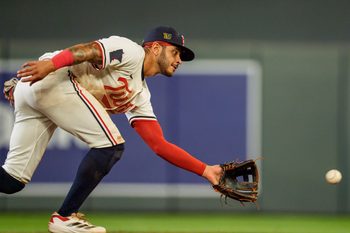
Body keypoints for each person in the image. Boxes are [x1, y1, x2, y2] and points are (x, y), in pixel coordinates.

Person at [0, 26, 223, 233]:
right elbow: (88, 50)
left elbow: (159, 145)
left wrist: (206, 170)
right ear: (155, 48)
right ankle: (65, 217)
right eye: (175, 52)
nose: (179, 60)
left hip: (34, 88)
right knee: (111, 146)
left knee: (12, 182)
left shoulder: (140, 95)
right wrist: (49, 65)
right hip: (52, 77)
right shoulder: (132, 52)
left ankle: (64, 216)